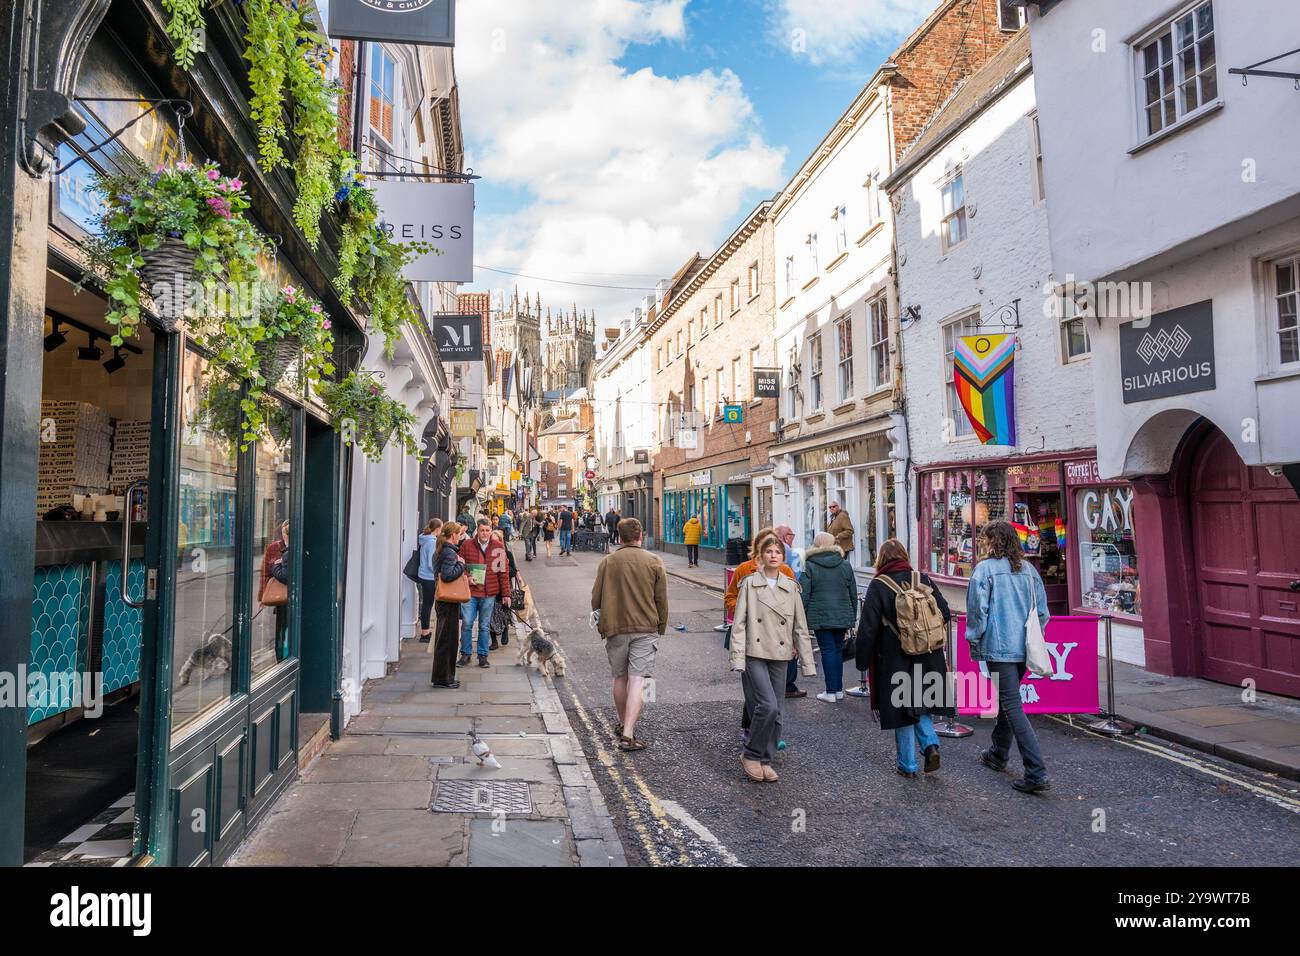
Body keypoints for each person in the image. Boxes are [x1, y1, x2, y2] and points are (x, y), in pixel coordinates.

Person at [966, 520, 1052, 794]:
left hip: (999, 646)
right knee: (1009, 700)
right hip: (1023, 647)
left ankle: (1036, 771)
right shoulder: (1028, 571)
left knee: (1012, 705)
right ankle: (998, 754)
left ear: (992, 542)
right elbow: (1043, 614)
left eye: (985, 540)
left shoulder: (985, 570)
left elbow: (978, 613)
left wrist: (975, 638)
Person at [855, 539, 953, 777]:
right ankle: (930, 745)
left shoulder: (879, 585)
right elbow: (946, 613)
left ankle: (907, 765)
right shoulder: (922, 579)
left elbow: (868, 629)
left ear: (881, 559)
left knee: (901, 710)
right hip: (928, 655)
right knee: (923, 702)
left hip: (894, 657)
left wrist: (861, 661)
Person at [729, 530, 816, 782]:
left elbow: (800, 626)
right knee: (765, 705)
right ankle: (752, 754)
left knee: (777, 710)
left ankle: (766, 759)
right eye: (769, 551)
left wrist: (807, 662)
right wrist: (737, 657)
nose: (774, 555)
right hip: (754, 652)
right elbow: (740, 624)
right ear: (761, 556)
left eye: (778, 551)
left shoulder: (791, 586)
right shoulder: (749, 584)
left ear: (783, 556)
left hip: (780, 653)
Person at [591, 518, 669, 752]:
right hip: (645, 628)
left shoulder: (608, 562)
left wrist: (602, 623)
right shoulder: (654, 561)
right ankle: (628, 733)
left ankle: (624, 722)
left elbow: (596, 598)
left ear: (619, 536)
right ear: (640, 536)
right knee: (639, 680)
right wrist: (661, 626)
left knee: (620, 678)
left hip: (615, 627)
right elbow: (661, 600)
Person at [724, 528, 796, 745]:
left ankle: (770, 739)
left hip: (777, 639)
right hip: (751, 638)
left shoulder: (786, 573)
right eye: (767, 547)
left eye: (775, 548)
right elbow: (730, 598)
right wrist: (747, 610)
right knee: (757, 692)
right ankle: (753, 735)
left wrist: (794, 640)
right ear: (758, 548)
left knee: (774, 694)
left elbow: (793, 608)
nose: (771, 553)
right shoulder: (744, 570)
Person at [799, 531, 858, 703]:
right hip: (842, 615)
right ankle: (838, 690)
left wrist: (800, 618)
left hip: (820, 616)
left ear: (816, 545)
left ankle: (830, 691)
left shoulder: (809, 565)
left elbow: (804, 594)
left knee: (828, 651)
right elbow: (853, 593)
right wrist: (852, 616)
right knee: (838, 651)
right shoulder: (845, 565)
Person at [457, 518, 511, 668]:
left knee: (484, 626)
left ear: (491, 531)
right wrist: (467, 577)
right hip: (471, 593)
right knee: (467, 623)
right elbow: (460, 565)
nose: (485, 533)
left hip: (489, 594)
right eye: (482, 530)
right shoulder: (467, 545)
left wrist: (506, 595)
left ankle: (482, 656)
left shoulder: (498, 547)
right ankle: (465, 654)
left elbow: (503, 572)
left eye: (487, 530)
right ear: (477, 531)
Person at [430, 522, 467, 688]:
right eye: (458, 534)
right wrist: (461, 564)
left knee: (444, 639)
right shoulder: (449, 552)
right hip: (448, 601)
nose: (459, 537)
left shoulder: (441, 550)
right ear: (453, 535)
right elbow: (447, 575)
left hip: (443, 601)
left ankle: (444, 677)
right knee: (448, 640)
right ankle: (444, 679)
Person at [772, 524, 805, 698]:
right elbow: (797, 578)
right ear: (785, 536)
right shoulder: (789, 552)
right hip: (786, 604)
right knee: (789, 642)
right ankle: (788, 685)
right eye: (791, 534)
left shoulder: (766, 550)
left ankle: (773, 682)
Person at [259, 520, 290, 661]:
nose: (285, 536)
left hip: (290, 596)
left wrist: (276, 566)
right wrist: (262, 596)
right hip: (280, 597)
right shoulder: (274, 548)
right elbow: (265, 573)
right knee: (280, 630)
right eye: (284, 533)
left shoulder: (293, 549)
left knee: (287, 630)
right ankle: (280, 657)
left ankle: (285, 655)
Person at [488, 530, 518, 651]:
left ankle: (505, 629)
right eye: (492, 541)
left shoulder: (507, 553)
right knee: (490, 615)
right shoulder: (487, 554)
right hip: (491, 588)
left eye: (496, 540)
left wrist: (505, 568)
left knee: (504, 612)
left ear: (500, 541)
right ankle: (494, 641)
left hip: (504, 588)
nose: (493, 543)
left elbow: (513, 571)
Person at [415, 518, 442, 644]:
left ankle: (425, 630)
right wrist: (438, 572)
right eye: (440, 529)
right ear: (437, 529)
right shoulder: (431, 542)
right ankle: (425, 633)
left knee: (426, 604)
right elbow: (432, 563)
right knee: (427, 605)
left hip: (423, 575)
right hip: (429, 577)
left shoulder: (424, 539)